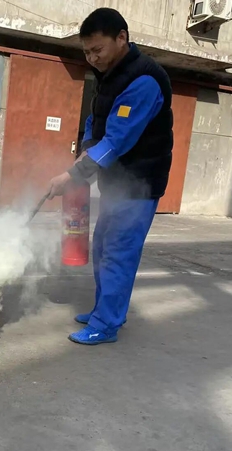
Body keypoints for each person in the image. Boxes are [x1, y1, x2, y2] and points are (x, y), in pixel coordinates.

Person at [47, 8, 174, 346]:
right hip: (117, 183)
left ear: (121, 38)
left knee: (119, 251)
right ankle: (105, 309)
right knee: (103, 245)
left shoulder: (144, 81)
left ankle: (106, 324)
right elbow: (96, 121)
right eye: (86, 52)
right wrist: (85, 151)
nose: (92, 58)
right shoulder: (110, 76)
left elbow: (117, 140)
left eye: (97, 50)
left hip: (139, 184)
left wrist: (73, 175)